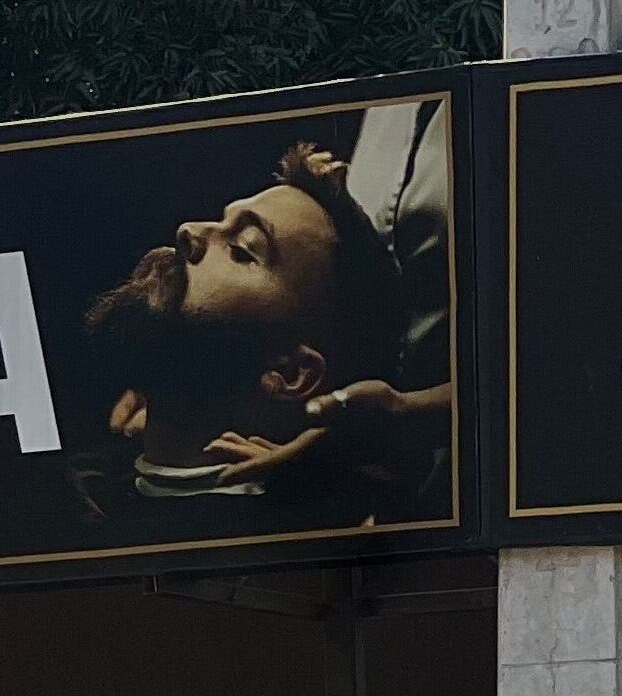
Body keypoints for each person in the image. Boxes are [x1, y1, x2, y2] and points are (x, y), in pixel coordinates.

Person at [83, 141, 448, 505]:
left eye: (242, 249)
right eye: (219, 219)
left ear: (289, 372)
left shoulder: (329, 551)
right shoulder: (60, 502)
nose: (188, 230)